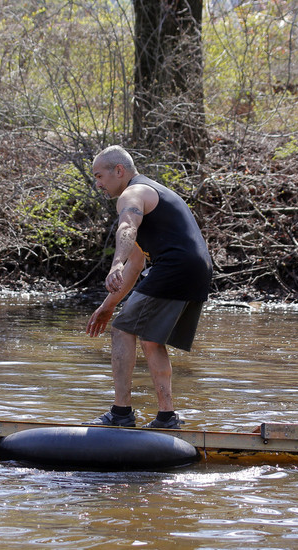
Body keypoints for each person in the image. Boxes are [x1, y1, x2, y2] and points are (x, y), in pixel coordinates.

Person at [85, 145, 213, 429]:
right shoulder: (153, 194)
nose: (98, 184)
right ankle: (167, 417)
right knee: (151, 338)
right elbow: (137, 265)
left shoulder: (132, 194)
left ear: (119, 171)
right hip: (198, 269)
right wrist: (108, 306)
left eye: (99, 176)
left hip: (176, 267)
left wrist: (114, 262)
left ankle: (120, 414)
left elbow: (127, 228)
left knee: (122, 330)